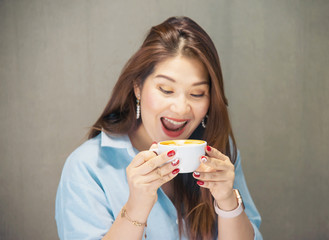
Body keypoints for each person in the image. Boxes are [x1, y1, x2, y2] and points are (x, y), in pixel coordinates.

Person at [55, 16, 262, 240]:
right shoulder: (88, 166)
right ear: (137, 87)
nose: (181, 108)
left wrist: (227, 201)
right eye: (165, 89)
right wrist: (136, 206)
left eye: (197, 94)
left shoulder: (219, 154)